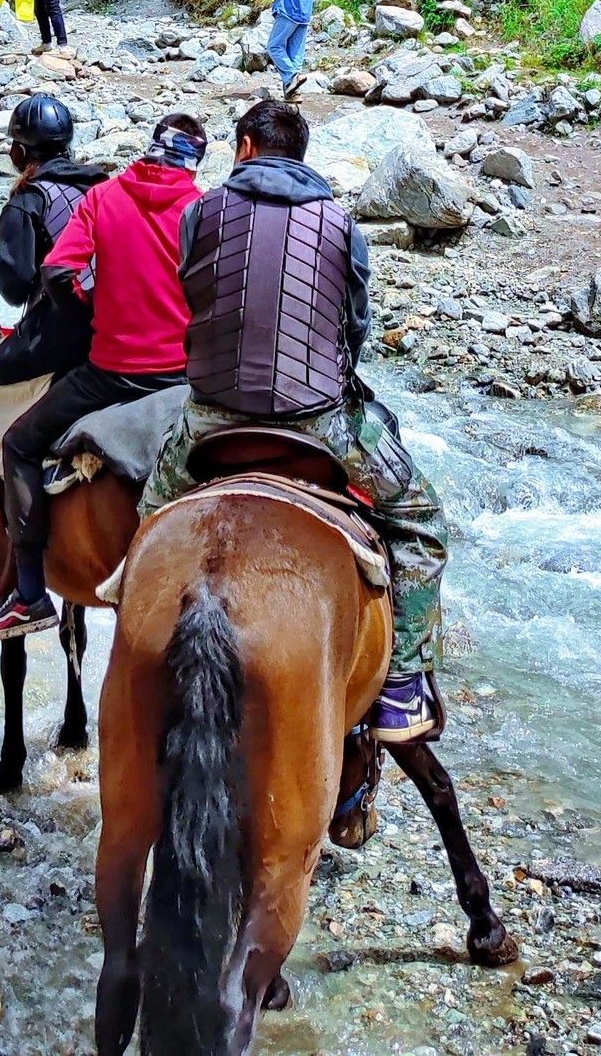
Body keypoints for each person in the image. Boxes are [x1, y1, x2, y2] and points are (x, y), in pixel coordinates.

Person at [142, 100, 448, 743]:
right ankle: (401, 682)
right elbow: (356, 321)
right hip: (318, 420)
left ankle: (130, 611)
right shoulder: (340, 222)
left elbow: (192, 287)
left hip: (210, 414)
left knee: (152, 514)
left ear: (246, 147)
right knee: (419, 520)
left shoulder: (200, 211)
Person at [0, 113, 208, 642]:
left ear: (152, 148)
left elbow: (56, 271)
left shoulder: (105, 197)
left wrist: (85, 309)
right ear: (194, 160)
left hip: (112, 374)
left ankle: (30, 594)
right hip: (182, 379)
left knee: (20, 443)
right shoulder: (203, 206)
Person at [0, 94, 106, 566]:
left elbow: (14, 287)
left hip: (62, 338)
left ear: (19, 153)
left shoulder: (29, 200)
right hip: (119, 331)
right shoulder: (105, 187)